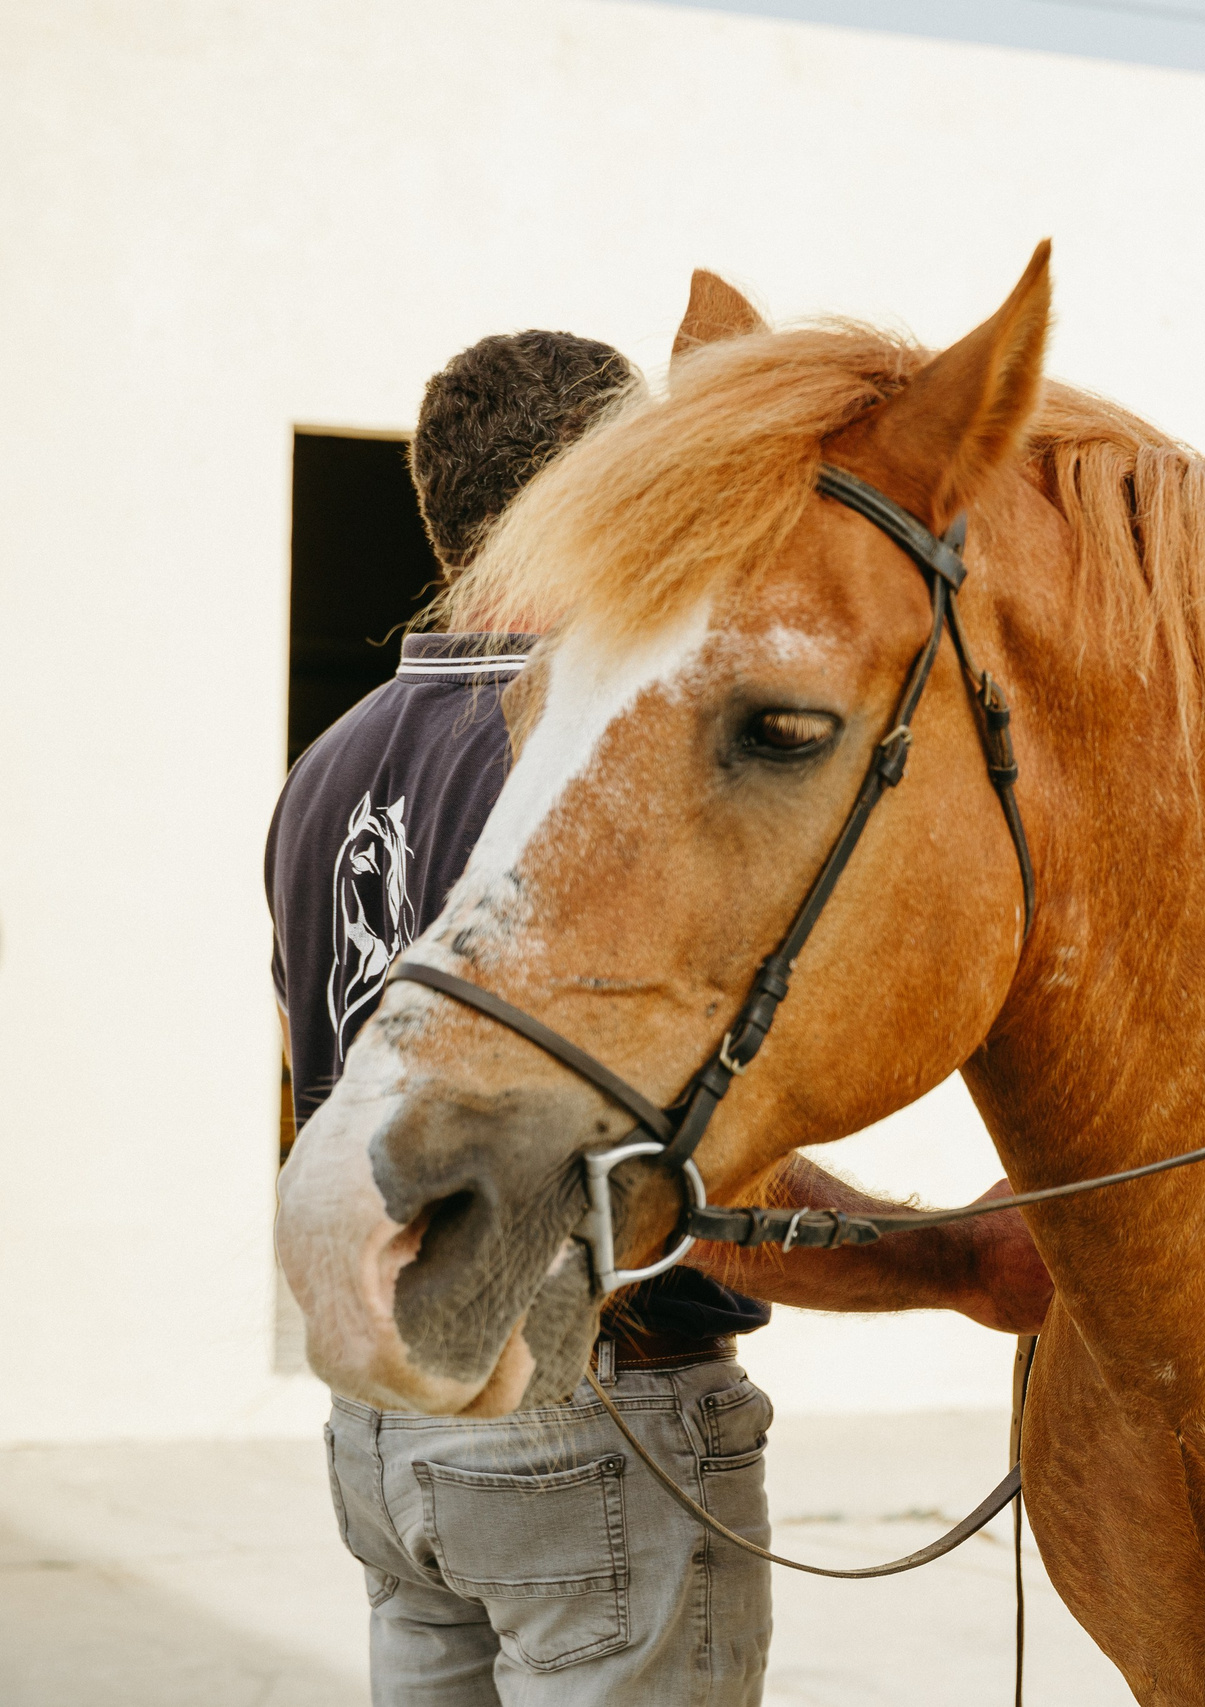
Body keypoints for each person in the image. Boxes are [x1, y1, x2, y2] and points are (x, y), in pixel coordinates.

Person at [269, 328, 1050, 1705]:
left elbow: (331, 1088)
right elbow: (672, 1171)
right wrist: (951, 1266)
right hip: (588, 1412)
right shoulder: (573, 766)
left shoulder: (324, 770)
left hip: (386, 1437)